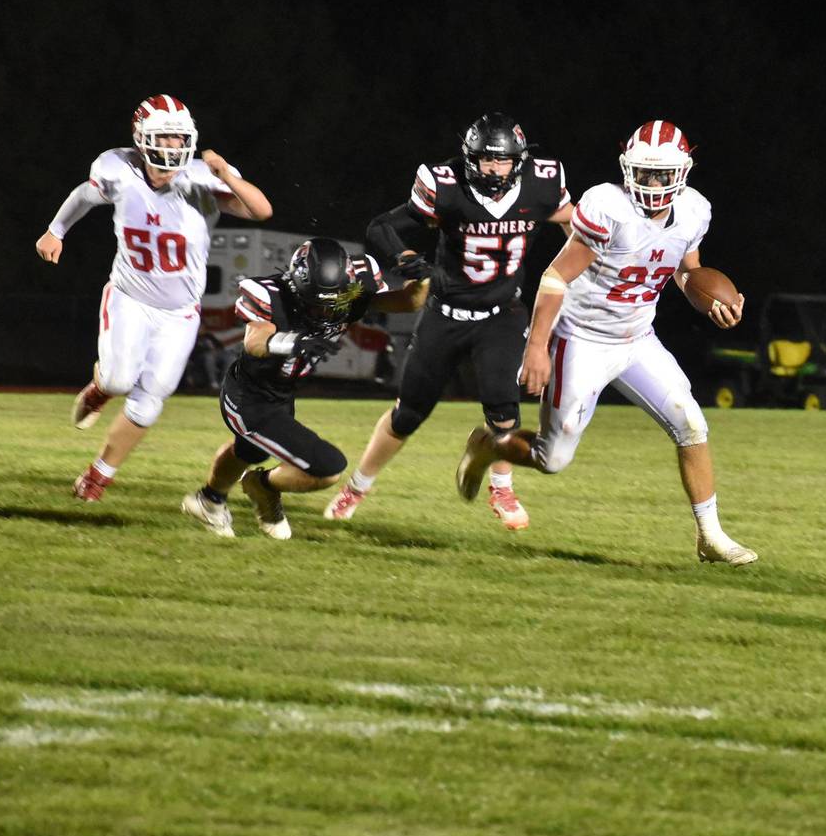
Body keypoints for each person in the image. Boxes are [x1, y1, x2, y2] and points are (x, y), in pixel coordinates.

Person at [455, 120, 758, 565]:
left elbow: (686, 269)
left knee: (691, 425)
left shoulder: (695, 210)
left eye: (661, 174)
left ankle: (710, 537)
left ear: (683, 172)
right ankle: (487, 445)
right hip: (580, 338)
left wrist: (709, 300)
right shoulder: (606, 206)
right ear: (626, 169)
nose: (652, 183)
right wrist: (538, 347)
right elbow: (556, 275)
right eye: (644, 172)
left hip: (637, 337)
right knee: (551, 459)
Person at [323, 112, 573, 531]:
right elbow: (381, 226)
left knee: (504, 409)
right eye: (485, 161)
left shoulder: (542, 183)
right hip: (445, 312)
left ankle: (501, 485)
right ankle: (357, 486)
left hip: (502, 312)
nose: (494, 170)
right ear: (469, 158)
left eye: (503, 162)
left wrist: (583, 268)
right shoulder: (445, 183)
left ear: (520, 161)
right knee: (408, 414)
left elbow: (574, 225)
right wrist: (405, 259)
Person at [35, 94, 273, 502]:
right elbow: (84, 196)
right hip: (130, 297)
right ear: (142, 139)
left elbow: (261, 210)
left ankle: (98, 476)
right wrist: (55, 230)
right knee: (117, 378)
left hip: (180, 312)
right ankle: (99, 388)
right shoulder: (118, 170)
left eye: (179, 139)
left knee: (150, 401)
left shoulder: (202, 179)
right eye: (163, 138)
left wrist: (228, 176)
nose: (172, 147)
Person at [181, 237, 427, 539]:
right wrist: (294, 341)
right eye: (315, 305)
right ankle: (262, 487)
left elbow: (409, 301)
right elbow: (254, 342)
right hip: (249, 396)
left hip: (283, 393)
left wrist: (422, 278)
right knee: (326, 467)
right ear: (297, 288)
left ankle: (208, 500)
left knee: (249, 451)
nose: (326, 314)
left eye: (334, 304)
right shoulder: (271, 294)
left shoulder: (356, 285)